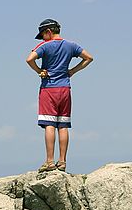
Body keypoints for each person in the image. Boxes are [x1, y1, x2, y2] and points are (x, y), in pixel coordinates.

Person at [26, 18, 93, 173]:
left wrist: (39, 71)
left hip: (49, 88)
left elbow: (29, 59)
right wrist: (72, 71)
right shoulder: (71, 45)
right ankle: (62, 162)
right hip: (65, 88)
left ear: (48, 31)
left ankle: (49, 162)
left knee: (49, 124)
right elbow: (89, 58)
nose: (42, 38)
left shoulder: (45, 46)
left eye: (43, 34)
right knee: (63, 125)